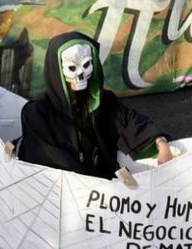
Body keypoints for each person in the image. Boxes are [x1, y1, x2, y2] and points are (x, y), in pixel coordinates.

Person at [17, 31, 172, 178]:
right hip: (63, 194)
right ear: (57, 70)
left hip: (100, 184)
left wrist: (161, 143)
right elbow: (50, 164)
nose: (81, 74)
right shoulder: (38, 113)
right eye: (72, 68)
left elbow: (129, 122)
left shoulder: (102, 101)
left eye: (86, 65)